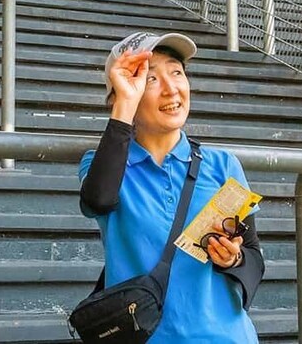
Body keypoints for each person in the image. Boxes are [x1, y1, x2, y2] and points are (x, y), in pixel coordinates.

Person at [78, 31, 265, 343]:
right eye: (151, 79)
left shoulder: (222, 166)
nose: (171, 88)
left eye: (177, 72)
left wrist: (233, 258)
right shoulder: (104, 164)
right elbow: (97, 200)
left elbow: (253, 257)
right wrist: (125, 102)